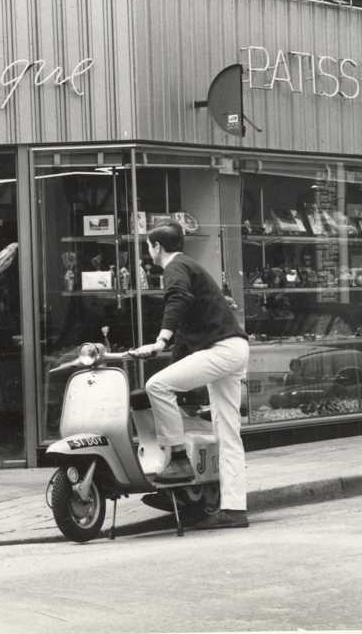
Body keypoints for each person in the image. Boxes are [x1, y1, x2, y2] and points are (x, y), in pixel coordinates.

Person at [129, 221, 251, 529]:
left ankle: (179, 458)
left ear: (156, 247)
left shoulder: (175, 267)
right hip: (233, 348)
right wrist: (166, 353)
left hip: (221, 351)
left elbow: (178, 299)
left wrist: (159, 341)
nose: (148, 251)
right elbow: (185, 340)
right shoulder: (190, 266)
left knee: (156, 385)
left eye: (148, 245)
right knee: (228, 433)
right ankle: (234, 510)